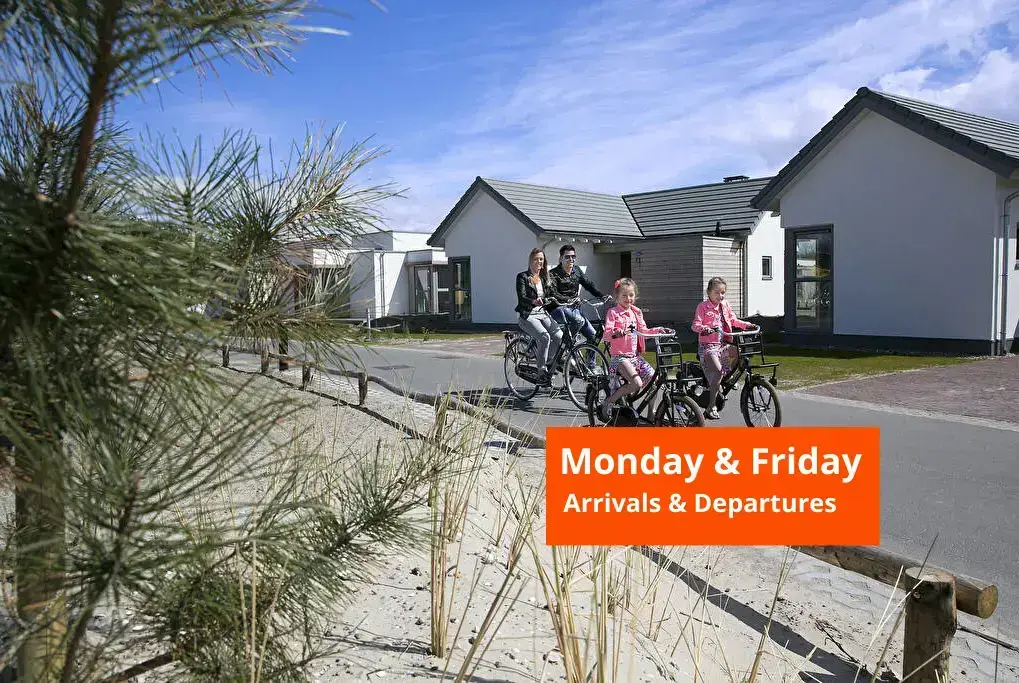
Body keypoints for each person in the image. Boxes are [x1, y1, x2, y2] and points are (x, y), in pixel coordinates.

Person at [598, 277, 671, 422]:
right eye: (624, 295)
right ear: (617, 296)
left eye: (631, 295)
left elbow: (644, 331)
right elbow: (606, 334)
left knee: (654, 382)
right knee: (637, 383)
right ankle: (610, 400)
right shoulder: (613, 313)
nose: (628, 298)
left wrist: (659, 330)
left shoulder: (636, 312)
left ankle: (651, 413)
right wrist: (616, 332)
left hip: (634, 357)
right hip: (619, 358)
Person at [690, 276, 758, 419]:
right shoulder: (702, 307)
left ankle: (725, 379)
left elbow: (733, 320)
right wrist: (704, 328)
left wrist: (747, 325)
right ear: (708, 292)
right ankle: (711, 406)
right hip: (707, 347)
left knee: (739, 352)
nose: (720, 296)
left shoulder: (725, 305)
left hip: (722, 345)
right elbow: (695, 325)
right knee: (718, 371)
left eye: (722, 293)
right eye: (717, 292)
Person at [514, 248, 563, 383]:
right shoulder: (522, 277)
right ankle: (541, 371)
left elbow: (554, 294)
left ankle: (548, 362)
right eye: (536, 259)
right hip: (528, 314)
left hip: (542, 313)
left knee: (560, 337)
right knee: (545, 337)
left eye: (541, 259)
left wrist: (570, 299)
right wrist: (534, 301)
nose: (539, 261)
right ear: (530, 260)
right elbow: (522, 297)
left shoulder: (544, 277)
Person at [547, 244, 609, 346]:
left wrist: (601, 296)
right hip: (557, 309)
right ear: (561, 259)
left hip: (574, 309)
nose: (571, 259)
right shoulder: (553, 274)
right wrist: (570, 299)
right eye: (567, 257)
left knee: (594, 337)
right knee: (579, 321)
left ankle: (587, 357)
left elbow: (588, 285)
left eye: (573, 256)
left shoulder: (577, 271)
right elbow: (553, 294)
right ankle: (565, 346)